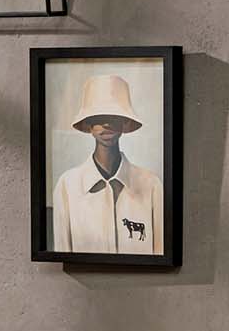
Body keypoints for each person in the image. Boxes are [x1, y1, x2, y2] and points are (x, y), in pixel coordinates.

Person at [51, 73, 163, 256]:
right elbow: (63, 256)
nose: (106, 124)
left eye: (114, 116)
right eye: (98, 117)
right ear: (88, 125)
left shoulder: (152, 185)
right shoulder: (67, 186)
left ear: (124, 122)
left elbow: (161, 253)